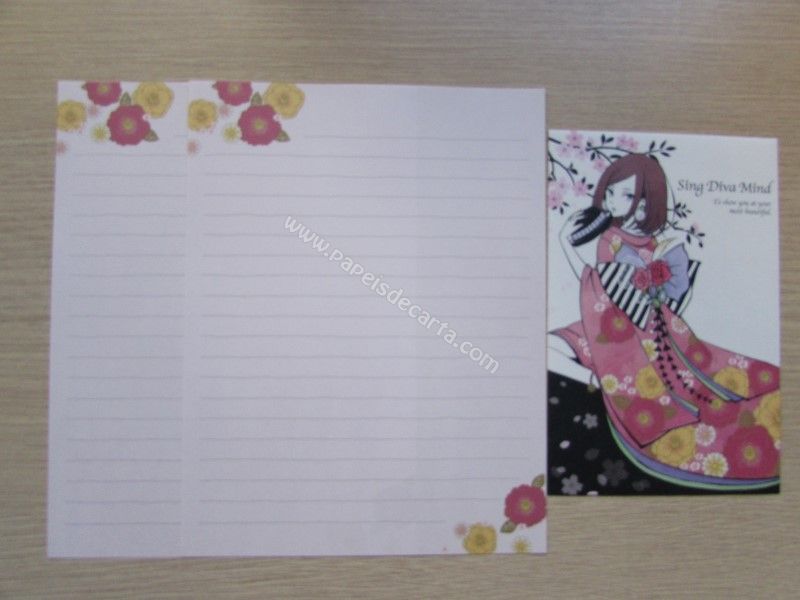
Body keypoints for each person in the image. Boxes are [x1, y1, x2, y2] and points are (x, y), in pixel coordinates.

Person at [553, 154, 780, 490]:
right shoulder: (609, 238)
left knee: (704, 374)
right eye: (614, 193)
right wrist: (565, 244)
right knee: (555, 344)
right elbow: (597, 287)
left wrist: (658, 289)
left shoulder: (657, 243)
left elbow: (674, 288)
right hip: (616, 328)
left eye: (630, 196)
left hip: (658, 324)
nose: (616, 202)